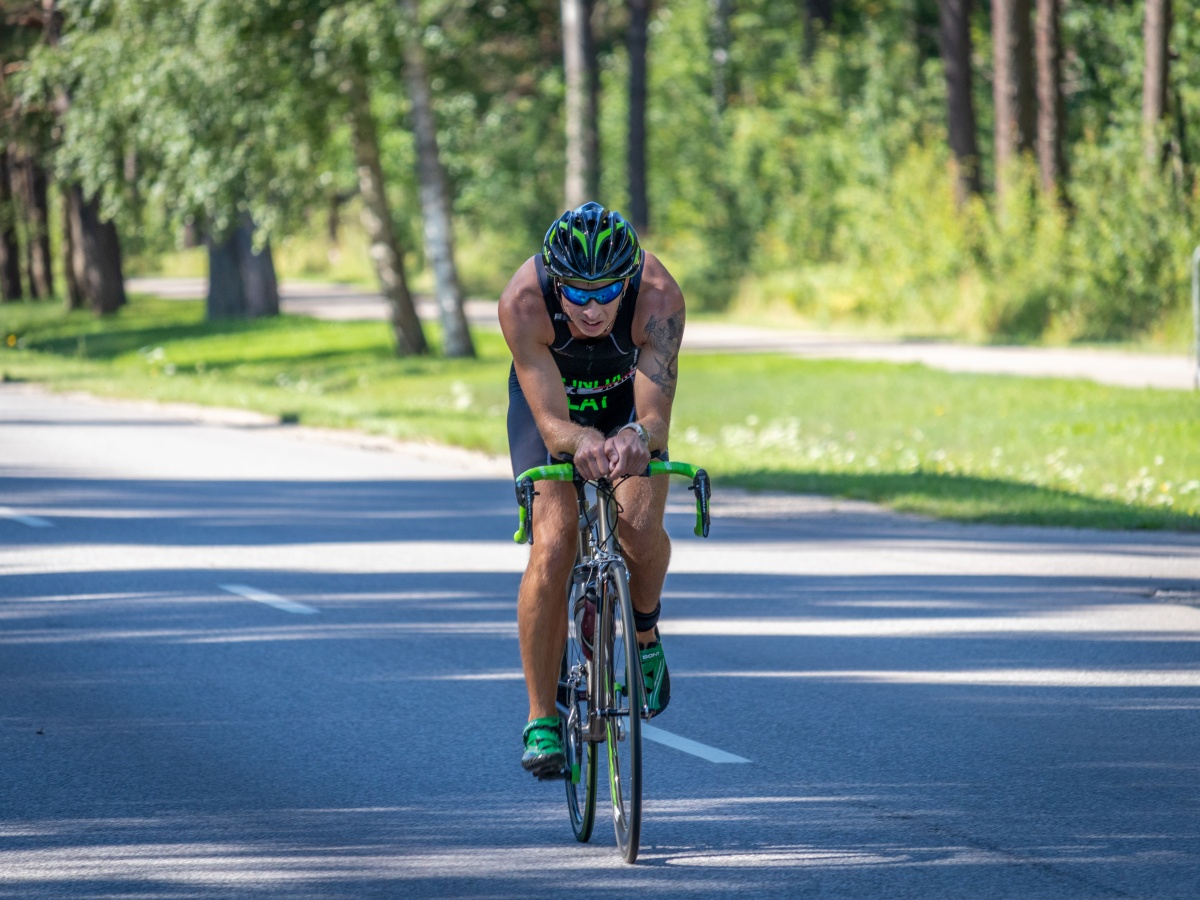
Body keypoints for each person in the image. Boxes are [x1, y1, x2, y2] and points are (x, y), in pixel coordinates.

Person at [499, 201, 686, 779]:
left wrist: (637, 436)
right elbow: (551, 424)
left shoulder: (659, 299)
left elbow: (655, 419)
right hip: (552, 408)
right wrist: (578, 440)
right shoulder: (523, 302)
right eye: (577, 293)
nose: (592, 308)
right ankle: (541, 718)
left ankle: (644, 633)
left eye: (606, 292)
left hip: (626, 404)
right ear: (556, 285)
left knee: (640, 528)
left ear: (627, 281)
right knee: (554, 543)